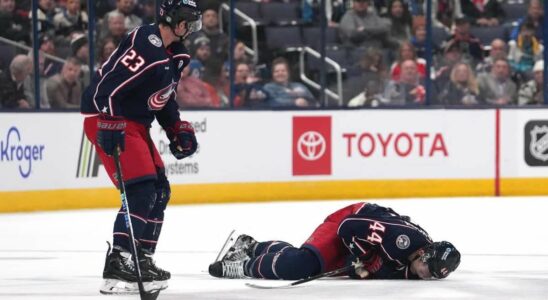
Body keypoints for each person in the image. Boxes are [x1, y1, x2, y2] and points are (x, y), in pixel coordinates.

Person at [80, 0, 201, 294]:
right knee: (140, 188)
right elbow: (105, 86)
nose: (192, 26)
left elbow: (163, 97)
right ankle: (120, 260)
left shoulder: (177, 54)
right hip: (108, 117)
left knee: (160, 190)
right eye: (188, 19)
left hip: (135, 123)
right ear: (171, 17)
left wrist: (175, 127)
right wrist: (109, 119)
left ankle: (141, 258)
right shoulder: (145, 42)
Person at [209, 202, 461, 281]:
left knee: (311, 263)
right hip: (348, 222)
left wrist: (363, 262)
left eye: (435, 276)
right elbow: (347, 227)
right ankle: (242, 267)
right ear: (424, 255)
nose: (426, 277)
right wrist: (367, 258)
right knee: (301, 266)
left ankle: (251, 246)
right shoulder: (402, 240)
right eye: (429, 270)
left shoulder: (418, 260)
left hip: (359, 243)